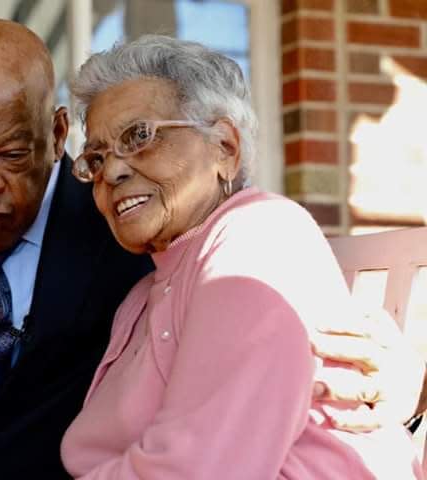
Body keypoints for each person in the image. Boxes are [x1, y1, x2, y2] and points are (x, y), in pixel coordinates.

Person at [0, 20, 425, 479]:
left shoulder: (175, 239)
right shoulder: (148, 276)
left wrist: (407, 391)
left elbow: (265, 334)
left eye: (12, 152)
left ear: (55, 133)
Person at [60, 36, 425, 479]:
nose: (111, 172)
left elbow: (202, 470)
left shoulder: (258, 237)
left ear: (226, 148)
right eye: (95, 159)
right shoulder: (143, 292)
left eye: (140, 136)